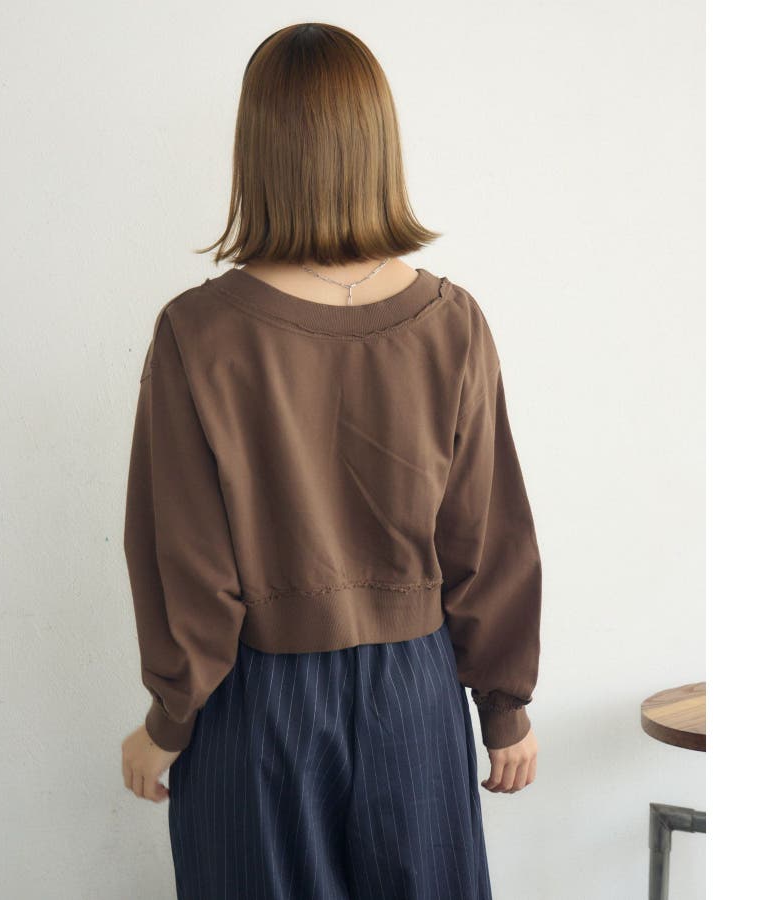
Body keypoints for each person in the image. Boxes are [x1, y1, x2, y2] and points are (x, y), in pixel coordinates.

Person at [120, 21, 542, 900]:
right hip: (416, 700)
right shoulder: (451, 323)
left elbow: (187, 559)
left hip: (256, 708)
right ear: (377, 143)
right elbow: (486, 534)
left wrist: (168, 720)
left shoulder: (199, 332)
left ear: (258, 149)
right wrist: (502, 709)